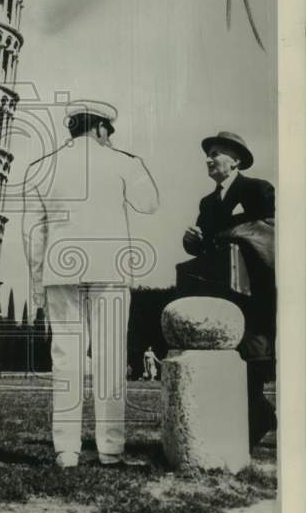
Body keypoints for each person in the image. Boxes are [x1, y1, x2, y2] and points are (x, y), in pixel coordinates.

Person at [22, 101, 159, 469]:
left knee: (65, 359)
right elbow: (150, 203)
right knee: (110, 358)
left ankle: (66, 450)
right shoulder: (122, 163)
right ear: (100, 128)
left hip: (59, 270)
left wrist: (37, 284)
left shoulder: (40, 167)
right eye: (108, 132)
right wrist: (131, 162)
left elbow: (33, 235)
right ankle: (110, 449)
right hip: (109, 269)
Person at [177, 131, 276, 448]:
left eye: (216, 153)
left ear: (235, 160)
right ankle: (256, 418)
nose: (209, 158)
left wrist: (231, 234)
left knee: (253, 352)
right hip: (218, 288)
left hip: (254, 288)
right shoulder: (207, 202)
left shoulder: (257, 189)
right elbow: (203, 247)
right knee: (226, 353)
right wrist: (191, 242)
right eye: (208, 154)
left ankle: (255, 420)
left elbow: (271, 232)